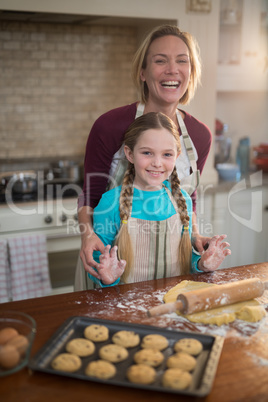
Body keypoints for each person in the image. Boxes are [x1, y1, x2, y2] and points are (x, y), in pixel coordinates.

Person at [76, 24, 213, 287]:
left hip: (171, 275)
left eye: (181, 61)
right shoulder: (109, 126)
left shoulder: (200, 136)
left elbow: (189, 199)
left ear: (190, 72)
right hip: (108, 270)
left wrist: (196, 236)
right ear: (143, 72)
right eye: (160, 60)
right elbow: (90, 195)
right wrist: (87, 236)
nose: (172, 69)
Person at [86, 112, 230, 288]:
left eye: (167, 154)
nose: (157, 163)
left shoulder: (182, 200)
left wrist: (201, 264)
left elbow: (185, 259)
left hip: (174, 307)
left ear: (177, 156)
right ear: (129, 154)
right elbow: (95, 260)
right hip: (127, 309)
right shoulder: (111, 203)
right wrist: (107, 277)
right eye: (147, 153)